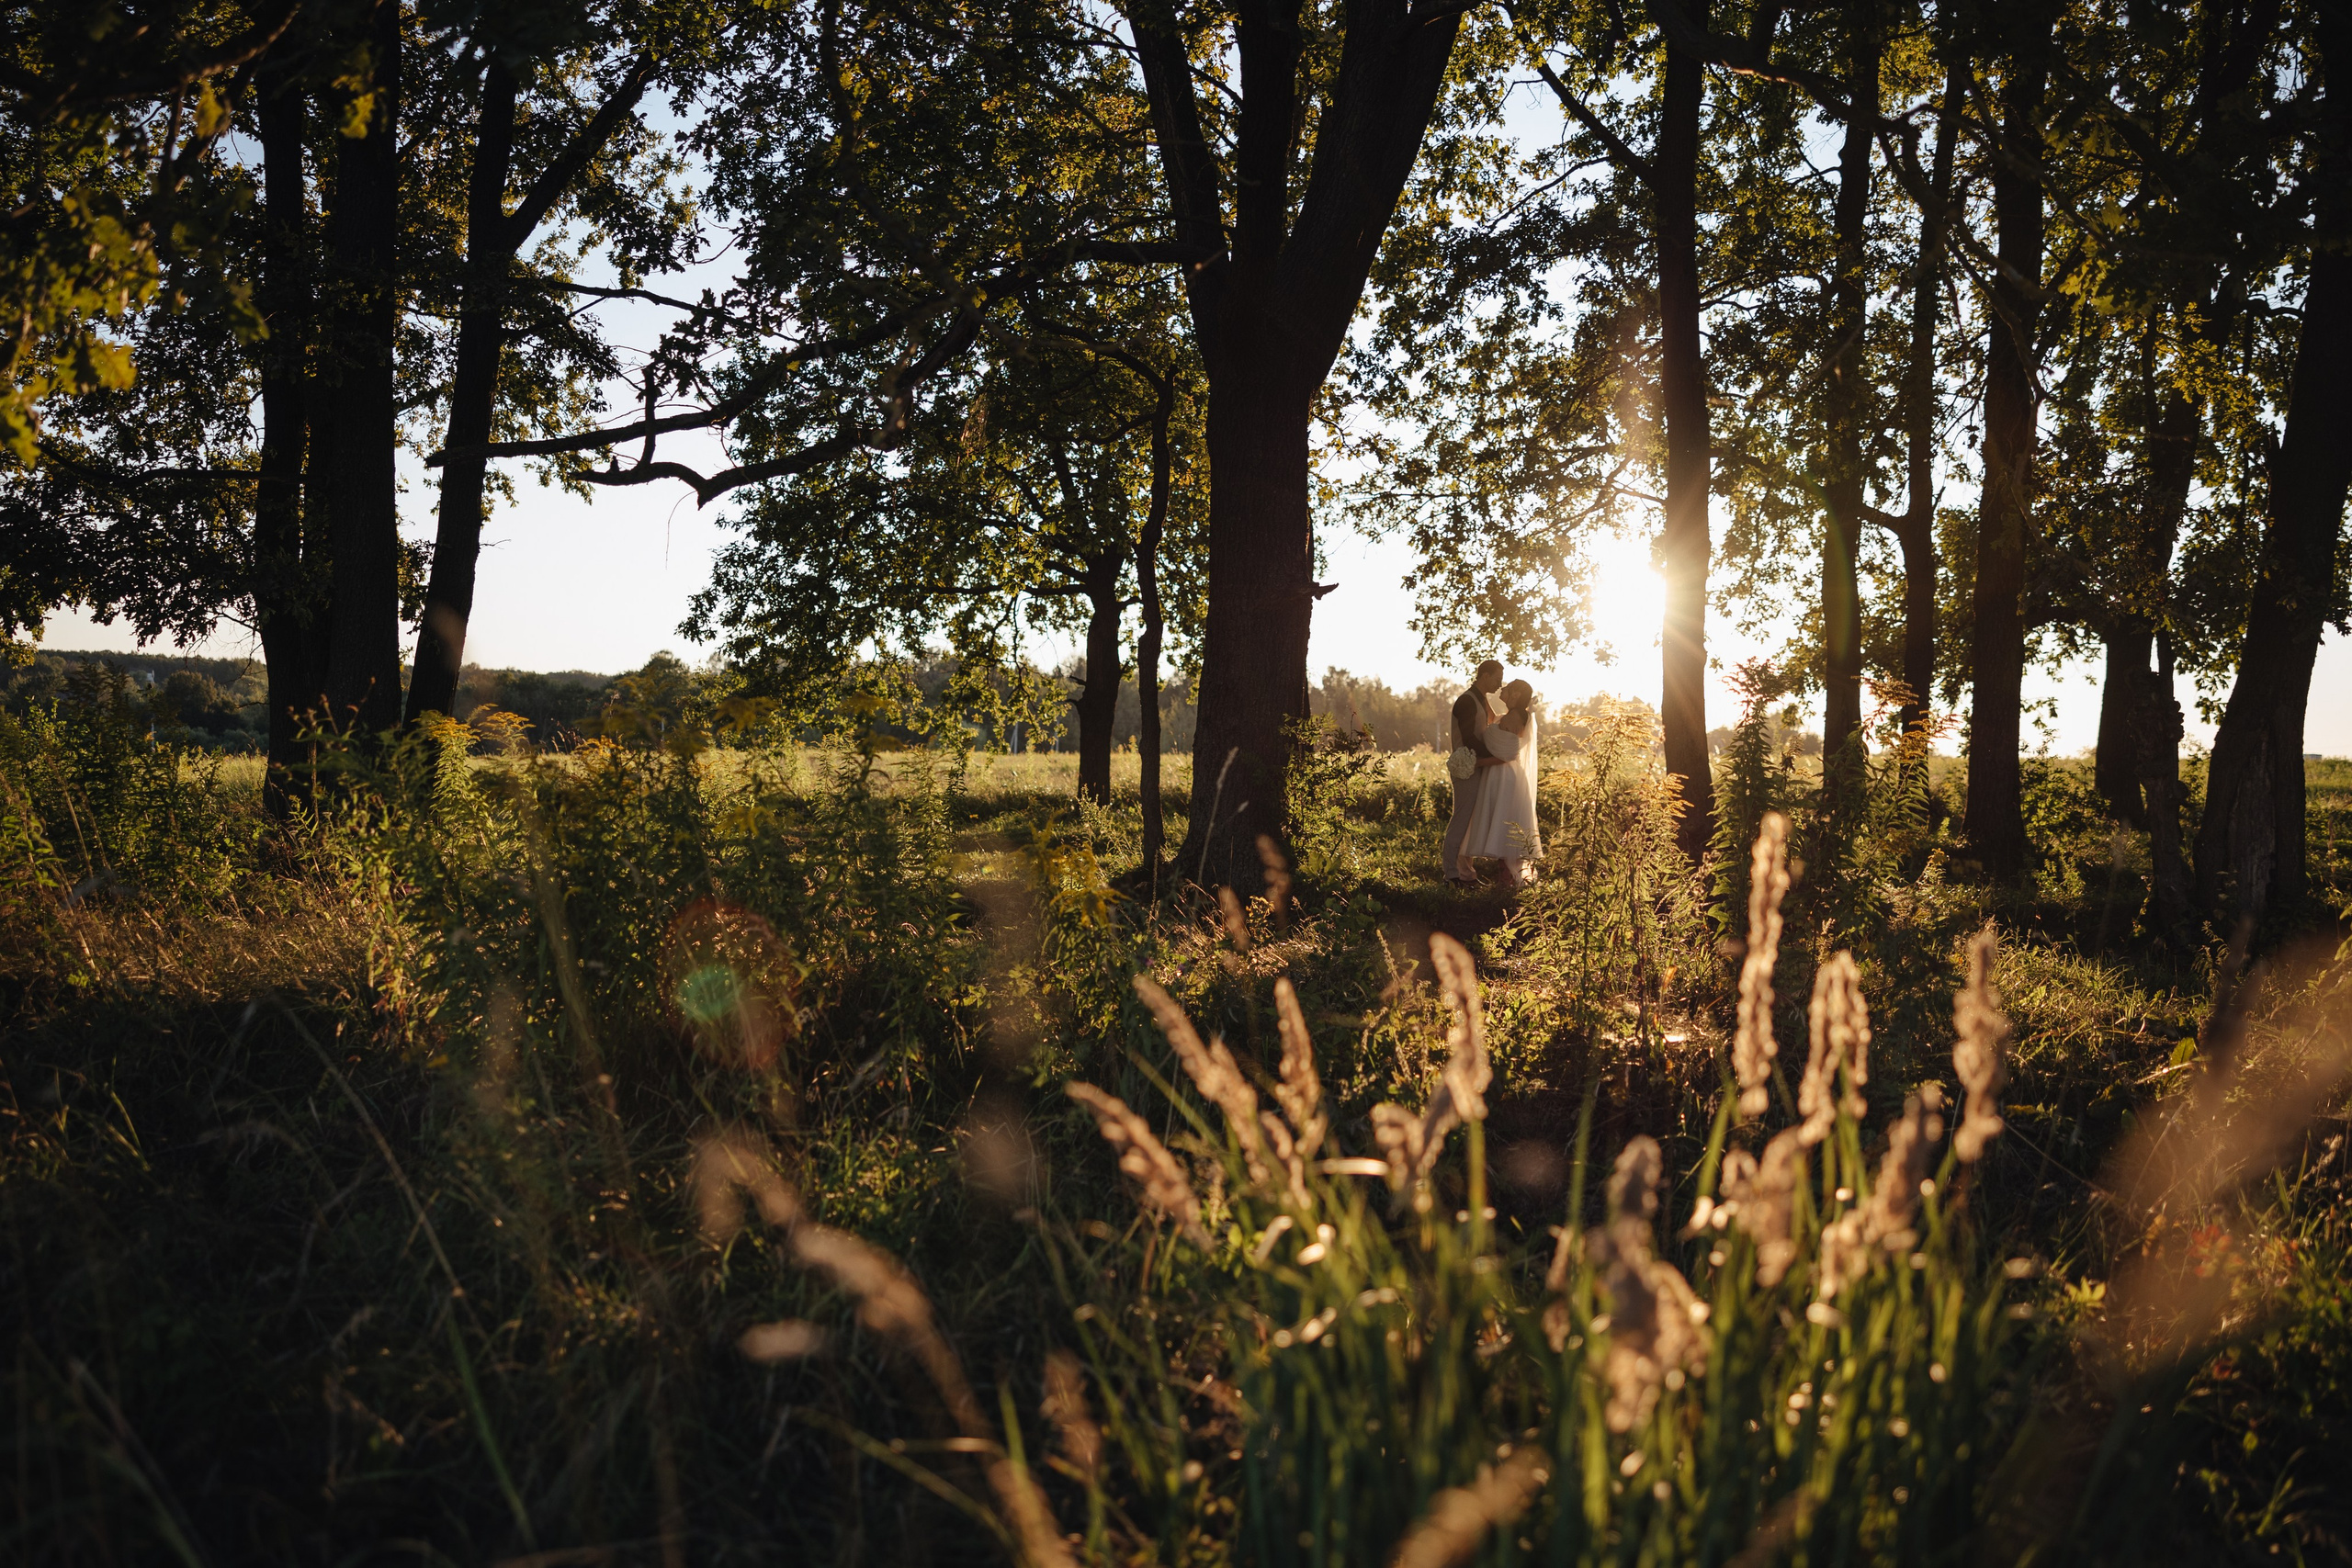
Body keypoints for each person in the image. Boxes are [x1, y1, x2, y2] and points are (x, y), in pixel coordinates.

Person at [1460, 679, 1542, 886]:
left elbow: (1508, 755)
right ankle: (1505, 881)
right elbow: (1491, 718)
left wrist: (1478, 764)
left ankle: (1506, 883)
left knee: (1504, 826)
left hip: (1503, 775)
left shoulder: (1514, 717)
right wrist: (1482, 695)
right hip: (1499, 776)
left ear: (1515, 695)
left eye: (1508, 687)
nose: (1503, 688)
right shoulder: (1508, 715)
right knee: (1502, 824)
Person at [1442, 660, 1506, 885]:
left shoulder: (1482, 699)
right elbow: (1469, 739)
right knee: (1460, 820)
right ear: (1485, 676)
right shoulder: (1466, 701)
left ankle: (1466, 874)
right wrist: (1498, 754)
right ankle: (1450, 874)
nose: (1500, 684)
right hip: (1466, 767)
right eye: (1497, 678)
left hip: (1478, 765)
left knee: (1470, 823)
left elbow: (1493, 725)